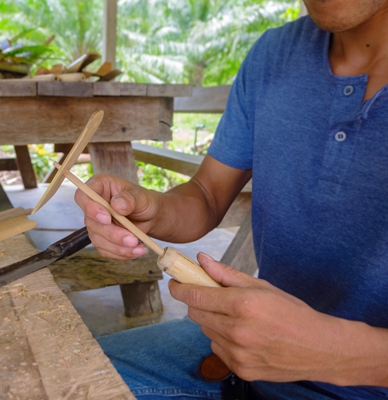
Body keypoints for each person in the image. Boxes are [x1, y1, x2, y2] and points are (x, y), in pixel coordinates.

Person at [74, 0, 388, 398]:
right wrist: (150, 210)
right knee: (50, 375)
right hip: (234, 352)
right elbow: (207, 193)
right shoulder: (275, 54)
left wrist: (338, 353)